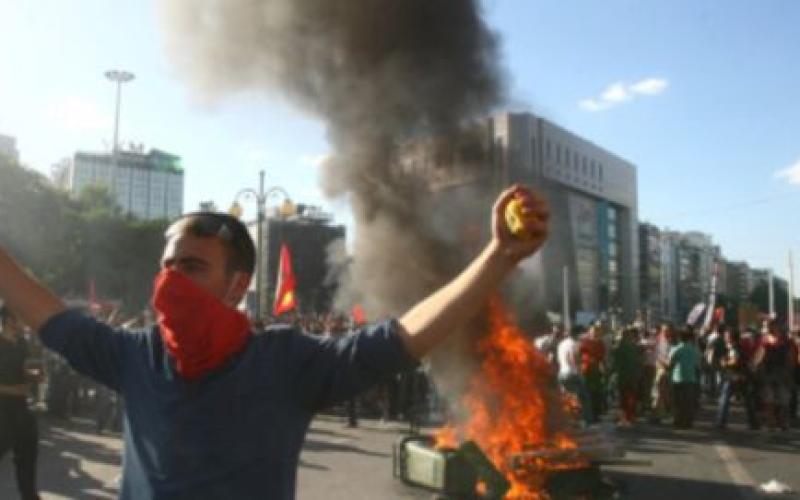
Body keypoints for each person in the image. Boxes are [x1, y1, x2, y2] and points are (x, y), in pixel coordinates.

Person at [0, 185, 548, 500]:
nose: (170, 281)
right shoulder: (134, 354)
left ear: (239, 285)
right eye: (166, 267)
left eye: (192, 267)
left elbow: (404, 335)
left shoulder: (287, 361)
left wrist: (497, 257)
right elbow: (45, 311)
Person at [0, 306, 41, 500]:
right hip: (2, 411)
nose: (23, 319)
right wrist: (12, 389)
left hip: (21, 409)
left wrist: (33, 375)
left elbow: (22, 369)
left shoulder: (22, 343)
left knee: (27, 457)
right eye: (19, 316)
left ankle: (30, 495)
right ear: (8, 320)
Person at [752, 320, 793, 431]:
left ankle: (783, 422)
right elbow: (760, 353)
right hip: (768, 373)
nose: (779, 329)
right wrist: (754, 365)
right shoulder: (766, 340)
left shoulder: (787, 341)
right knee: (769, 400)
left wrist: (789, 371)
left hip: (781, 373)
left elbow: (790, 357)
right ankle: (772, 422)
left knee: (783, 400)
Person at [714, 328, 757, 430]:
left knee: (724, 400)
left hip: (734, 376)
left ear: (731, 338)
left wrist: (725, 363)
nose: (725, 338)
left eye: (726, 336)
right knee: (748, 401)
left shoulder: (734, 348)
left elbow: (735, 361)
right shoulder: (738, 347)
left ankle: (721, 422)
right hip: (741, 376)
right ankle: (754, 423)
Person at [557, 326, 592, 426]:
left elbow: (559, 358)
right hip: (572, 373)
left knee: (567, 398)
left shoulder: (562, 343)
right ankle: (582, 421)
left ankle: (568, 420)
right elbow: (573, 359)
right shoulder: (574, 344)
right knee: (582, 397)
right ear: (576, 334)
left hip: (562, 373)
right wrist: (580, 368)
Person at [669, 328, 701, 429]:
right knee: (688, 402)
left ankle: (678, 421)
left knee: (677, 402)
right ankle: (688, 422)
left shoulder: (676, 349)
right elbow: (698, 366)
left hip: (677, 378)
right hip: (691, 378)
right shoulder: (695, 350)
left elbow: (671, 365)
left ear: (680, 337)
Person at [613, 327, 642, 426]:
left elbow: (615, 364)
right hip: (633, 376)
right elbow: (638, 362)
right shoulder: (634, 347)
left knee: (622, 398)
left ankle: (623, 418)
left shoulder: (619, 348)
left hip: (622, 376)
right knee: (632, 396)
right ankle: (631, 417)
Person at [580, 323, 606, 422]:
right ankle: (588, 414)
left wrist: (602, 367)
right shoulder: (584, 342)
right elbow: (580, 354)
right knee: (587, 392)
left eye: (596, 331)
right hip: (586, 369)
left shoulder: (600, 343)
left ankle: (595, 414)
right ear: (589, 332)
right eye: (592, 331)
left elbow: (602, 357)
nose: (594, 333)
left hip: (595, 370)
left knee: (596, 393)